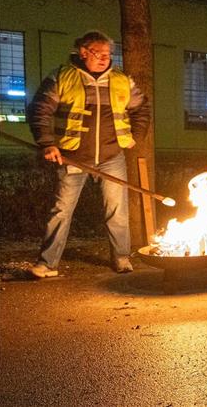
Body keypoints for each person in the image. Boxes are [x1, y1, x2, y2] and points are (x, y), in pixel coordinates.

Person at [27, 30, 150, 278]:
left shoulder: (121, 80)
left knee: (117, 210)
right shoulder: (62, 77)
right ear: (83, 53)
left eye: (108, 53)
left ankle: (121, 257)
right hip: (72, 157)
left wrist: (135, 136)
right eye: (99, 53)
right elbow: (40, 109)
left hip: (111, 157)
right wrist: (47, 143)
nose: (105, 58)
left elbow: (142, 108)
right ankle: (47, 263)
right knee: (61, 210)